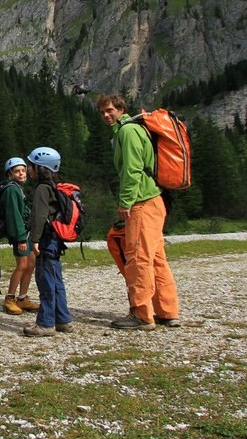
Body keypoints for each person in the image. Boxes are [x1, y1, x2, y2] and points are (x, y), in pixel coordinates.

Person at [97, 94, 181, 330]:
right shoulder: (131, 130)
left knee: (138, 258)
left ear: (121, 109)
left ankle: (141, 314)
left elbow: (132, 170)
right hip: (153, 201)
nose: (106, 115)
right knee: (156, 258)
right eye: (102, 112)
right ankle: (167, 312)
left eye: (110, 110)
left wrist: (125, 202)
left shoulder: (127, 131)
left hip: (141, 202)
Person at [21, 147, 75, 336]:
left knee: (46, 281)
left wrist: (34, 239)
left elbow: (39, 216)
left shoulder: (42, 189)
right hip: (56, 240)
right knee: (56, 280)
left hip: (46, 240)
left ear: (40, 167)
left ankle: (45, 323)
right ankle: (63, 320)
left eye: (31, 165)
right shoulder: (53, 186)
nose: (28, 168)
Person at [0, 157, 38, 315]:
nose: (21, 173)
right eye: (17, 171)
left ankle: (22, 298)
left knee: (30, 264)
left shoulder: (17, 188)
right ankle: (9, 299)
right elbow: (14, 216)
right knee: (22, 265)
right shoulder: (11, 190)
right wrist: (21, 238)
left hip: (25, 233)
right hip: (20, 235)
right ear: (10, 174)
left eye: (23, 170)